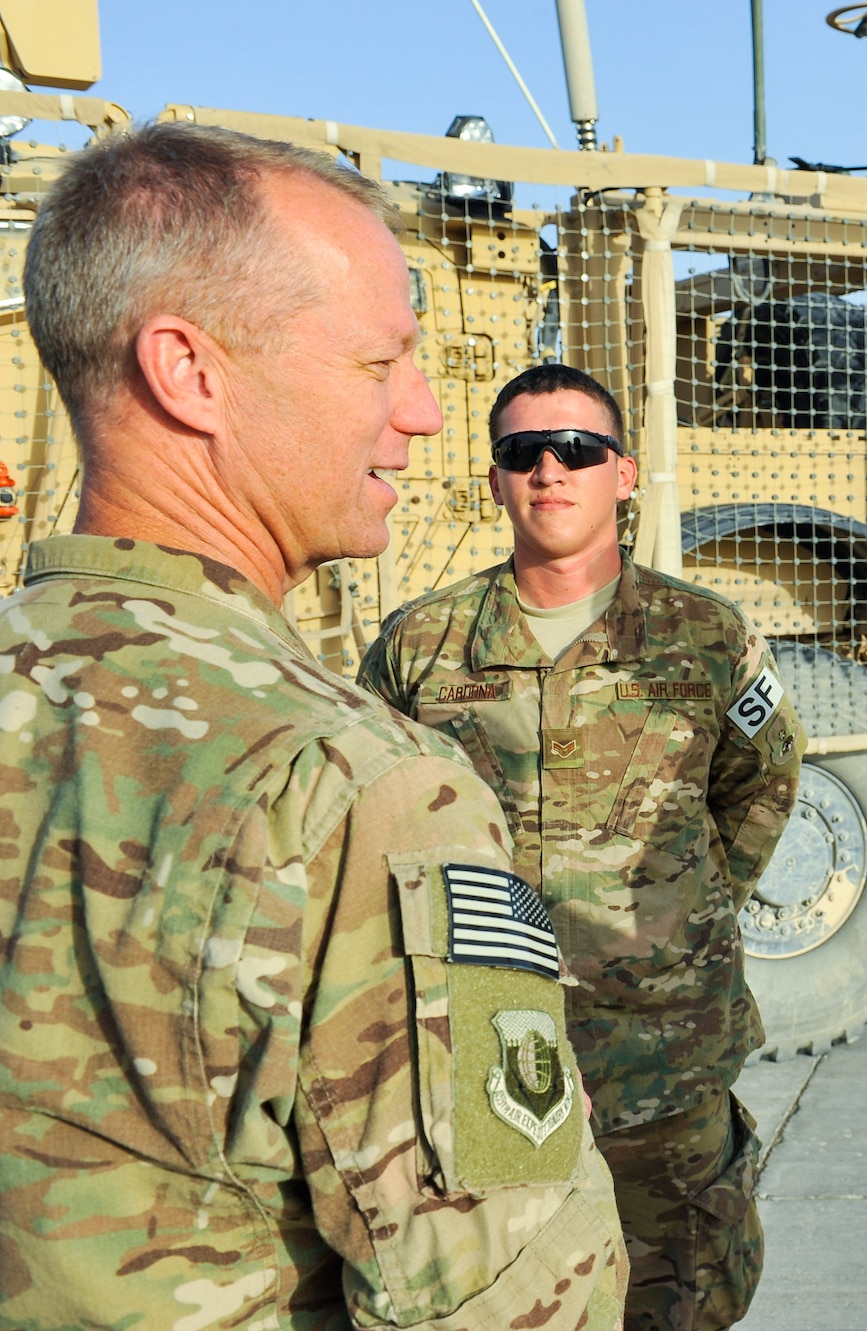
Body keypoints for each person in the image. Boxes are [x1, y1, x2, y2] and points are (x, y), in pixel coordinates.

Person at [0, 123, 626, 1327]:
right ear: (189, 372)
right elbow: (511, 1296)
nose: (426, 414)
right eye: (374, 364)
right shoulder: (357, 785)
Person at [358, 362, 801, 1331]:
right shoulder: (421, 648)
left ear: (623, 472)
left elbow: (761, 785)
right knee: (515, 1298)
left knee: (685, 1293)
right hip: (491, 1053)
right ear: (495, 480)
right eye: (523, 452)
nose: (550, 470)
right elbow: (376, 830)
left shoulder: (704, 637)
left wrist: (683, 913)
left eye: (577, 450)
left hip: (667, 1050)